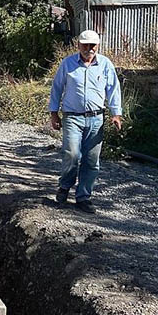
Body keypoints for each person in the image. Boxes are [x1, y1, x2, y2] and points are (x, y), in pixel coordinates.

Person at [48, 30, 122, 214]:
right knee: (72, 154)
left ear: (98, 46)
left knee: (91, 160)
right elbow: (57, 87)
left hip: (96, 118)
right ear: (78, 45)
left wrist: (116, 113)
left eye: (92, 45)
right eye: (85, 45)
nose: (89, 49)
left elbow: (113, 89)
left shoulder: (105, 64)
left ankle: (83, 197)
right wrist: (53, 113)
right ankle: (65, 186)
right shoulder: (68, 64)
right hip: (72, 117)